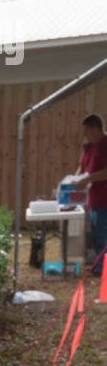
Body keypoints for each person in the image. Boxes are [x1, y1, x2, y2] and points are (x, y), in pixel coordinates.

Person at [74, 113, 107, 275]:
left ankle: (102, 268)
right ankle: (98, 264)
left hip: (104, 199)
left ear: (96, 129)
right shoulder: (89, 146)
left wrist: (88, 178)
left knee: (102, 235)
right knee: (94, 234)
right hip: (91, 198)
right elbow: (81, 167)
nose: (85, 135)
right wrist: (74, 180)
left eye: (87, 131)